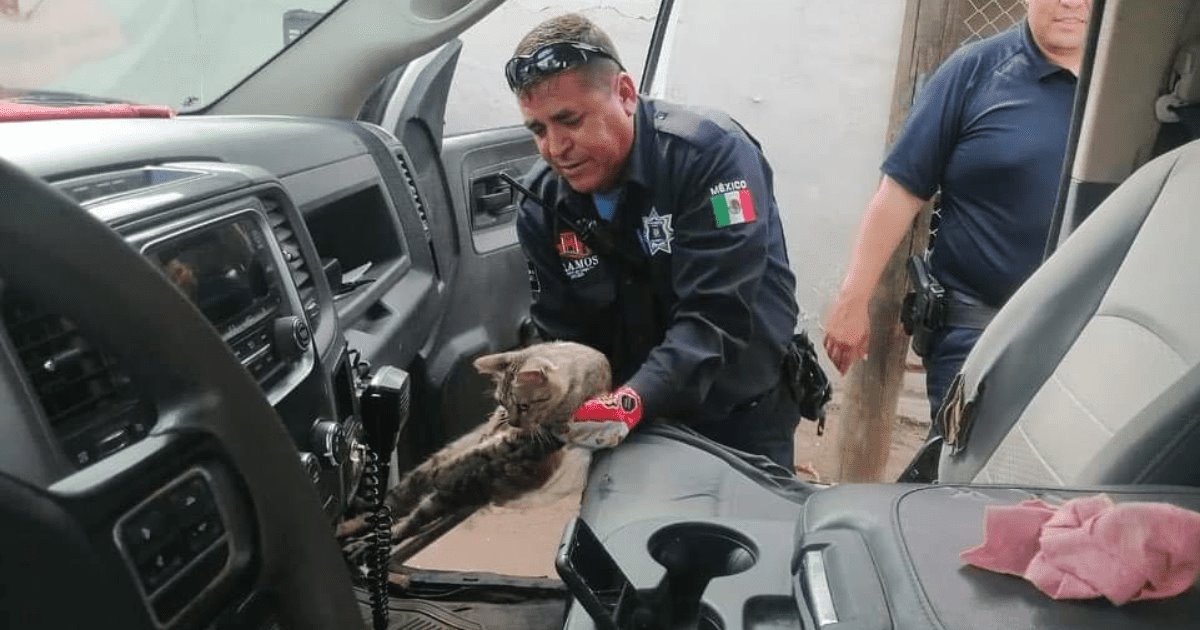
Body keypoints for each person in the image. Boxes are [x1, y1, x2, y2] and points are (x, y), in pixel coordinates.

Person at [505, 13, 805, 468]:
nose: (555, 147)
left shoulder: (712, 156)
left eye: (569, 120)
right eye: (539, 130)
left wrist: (629, 402)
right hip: (624, 431)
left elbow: (713, 318)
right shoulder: (541, 204)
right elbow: (563, 334)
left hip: (738, 420)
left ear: (624, 94)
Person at [823, 0, 1093, 432]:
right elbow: (898, 195)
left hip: (1092, 335)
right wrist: (852, 301)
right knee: (968, 477)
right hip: (978, 331)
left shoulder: (1132, 93)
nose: (1072, 2)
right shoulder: (974, 72)